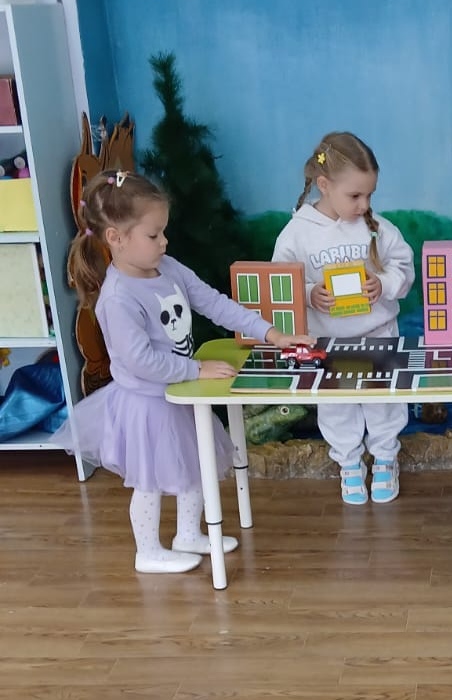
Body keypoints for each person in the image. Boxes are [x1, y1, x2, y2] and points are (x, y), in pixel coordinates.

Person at [57, 169, 310, 575]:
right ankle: (147, 551)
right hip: (148, 404)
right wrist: (195, 368)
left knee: (194, 467)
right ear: (116, 238)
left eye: (163, 232)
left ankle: (188, 535)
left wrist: (270, 333)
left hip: (179, 393)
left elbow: (214, 303)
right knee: (150, 482)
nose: (164, 242)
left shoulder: (169, 268)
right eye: (153, 235)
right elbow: (141, 360)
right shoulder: (118, 298)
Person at [272, 131, 415, 506]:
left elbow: (404, 268)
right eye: (355, 196)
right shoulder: (297, 234)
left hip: (379, 335)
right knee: (337, 406)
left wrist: (383, 284)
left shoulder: (378, 228)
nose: (364, 204)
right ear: (324, 185)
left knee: (384, 402)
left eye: (369, 195)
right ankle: (349, 464)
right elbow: (280, 280)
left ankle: (385, 460)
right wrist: (308, 293)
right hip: (328, 342)